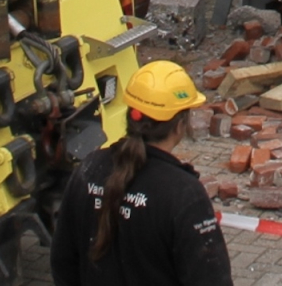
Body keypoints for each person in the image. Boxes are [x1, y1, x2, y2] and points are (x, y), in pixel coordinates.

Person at [51, 60, 234, 286]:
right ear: (180, 125)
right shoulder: (184, 194)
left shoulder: (89, 169)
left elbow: (63, 262)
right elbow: (210, 278)